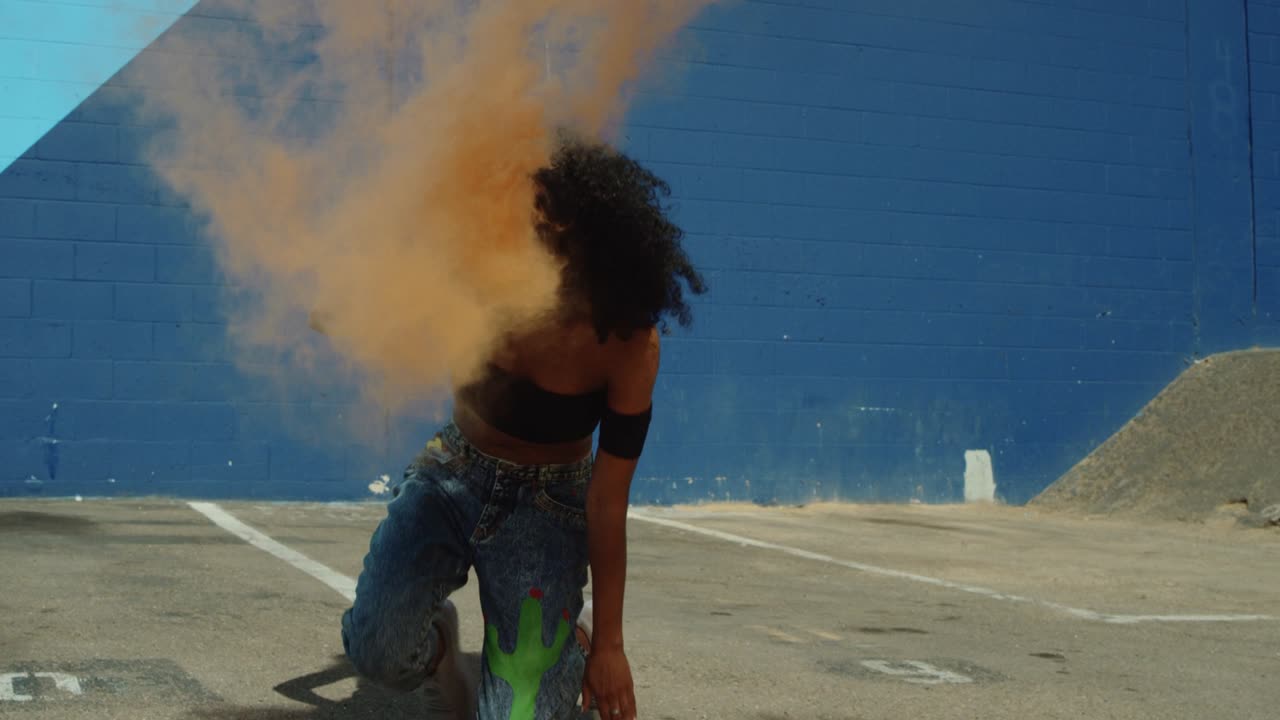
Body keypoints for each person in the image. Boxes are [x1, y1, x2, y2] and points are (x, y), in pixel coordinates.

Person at [335, 133, 707, 720]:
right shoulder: (482, 268)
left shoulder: (628, 343)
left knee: (517, 713)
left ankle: (571, 637)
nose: (519, 233)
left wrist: (610, 646)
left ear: (588, 240)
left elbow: (607, 501)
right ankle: (442, 645)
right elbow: (402, 282)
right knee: (379, 653)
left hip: (546, 508)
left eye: (543, 227)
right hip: (452, 475)